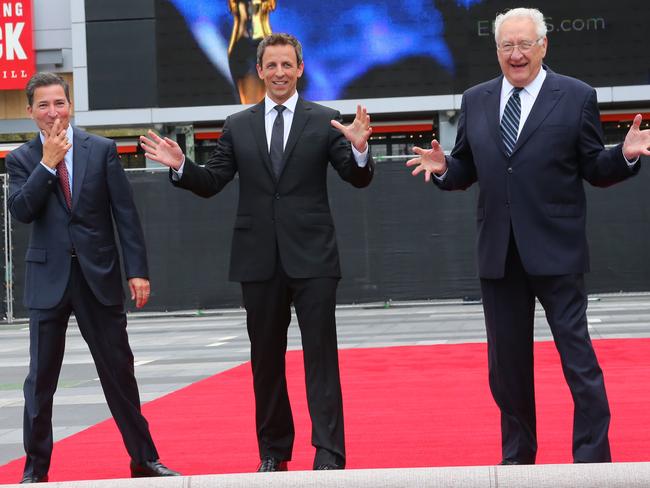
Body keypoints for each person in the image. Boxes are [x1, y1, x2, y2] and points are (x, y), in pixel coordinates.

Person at [406, 8, 650, 464]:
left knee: (579, 362)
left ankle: (593, 460)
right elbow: (464, 168)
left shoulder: (576, 96)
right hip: (499, 254)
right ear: (496, 50)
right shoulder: (476, 99)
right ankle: (518, 459)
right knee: (507, 371)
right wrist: (444, 170)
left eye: (524, 45)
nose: (516, 55)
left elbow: (594, 166)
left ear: (543, 46)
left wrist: (625, 156)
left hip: (557, 251)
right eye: (506, 46)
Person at [140, 33, 373, 472]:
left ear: (300, 69)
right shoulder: (238, 124)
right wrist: (181, 167)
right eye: (273, 66)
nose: (281, 73)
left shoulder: (326, 120)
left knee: (321, 358)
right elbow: (212, 182)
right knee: (265, 361)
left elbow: (355, 177)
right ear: (260, 71)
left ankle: (329, 452)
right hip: (258, 259)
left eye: (288, 65)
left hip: (314, 259)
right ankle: (273, 452)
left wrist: (360, 148)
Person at [6, 72, 180, 483]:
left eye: (60, 103)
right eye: (44, 105)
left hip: (98, 276)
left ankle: (144, 459)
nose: (54, 112)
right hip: (47, 280)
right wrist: (47, 164)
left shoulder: (100, 150)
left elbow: (125, 215)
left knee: (119, 371)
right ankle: (35, 470)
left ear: (71, 106)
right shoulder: (21, 160)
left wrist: (136, 270)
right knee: (40, 381)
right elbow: (22, 210)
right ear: (30, 112)